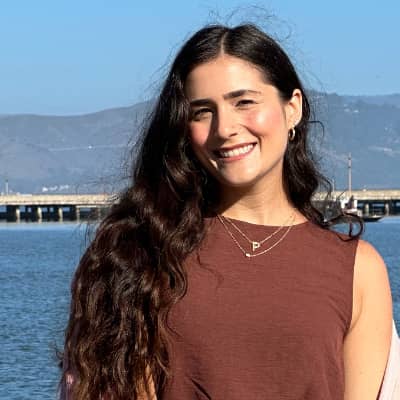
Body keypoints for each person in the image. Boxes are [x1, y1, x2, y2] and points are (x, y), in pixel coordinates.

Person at [60, 24, 394, 399]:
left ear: (292, 108)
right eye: (203, 111)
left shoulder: (358, 270)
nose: (225, 128)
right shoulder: (136, 251)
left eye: (244, 102)